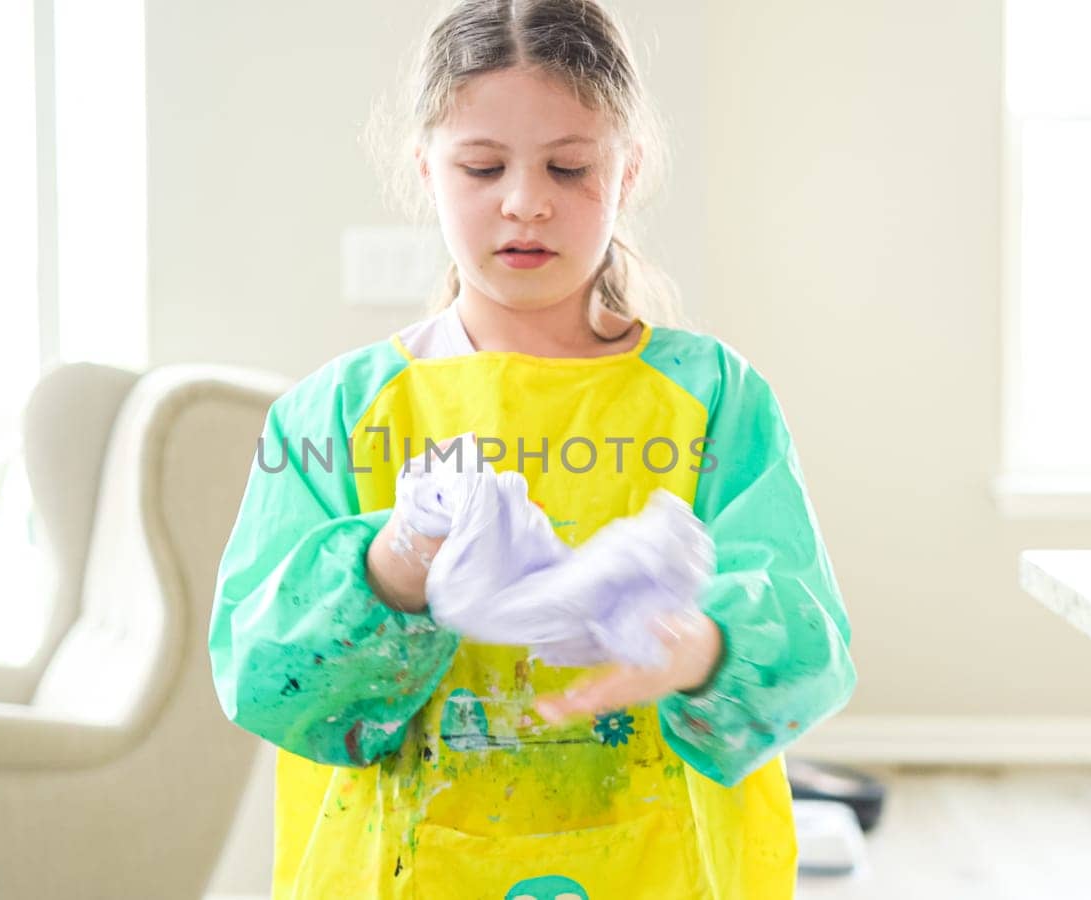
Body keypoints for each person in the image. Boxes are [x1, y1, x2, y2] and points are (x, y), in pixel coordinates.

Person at [209, 2, 855, 896]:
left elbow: (810, 647)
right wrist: (394, 564)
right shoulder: (332, 417)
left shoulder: (714, 402)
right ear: (425, 170)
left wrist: (697, 647)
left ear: (628, 171)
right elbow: (263, 676)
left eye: (568, 165)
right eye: (482, 167)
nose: (524, 201)